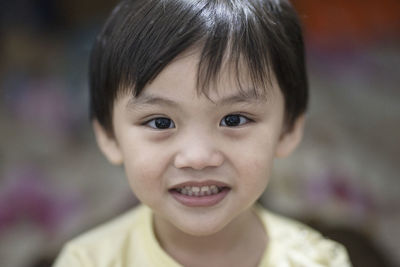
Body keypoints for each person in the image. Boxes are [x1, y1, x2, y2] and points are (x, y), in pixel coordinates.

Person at [54, 0, 352, 266]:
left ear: (288, 129)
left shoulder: (321, 260)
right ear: (109, 136)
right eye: (160, 122)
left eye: (234, 119)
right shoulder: (85, 261)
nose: (198, 158)